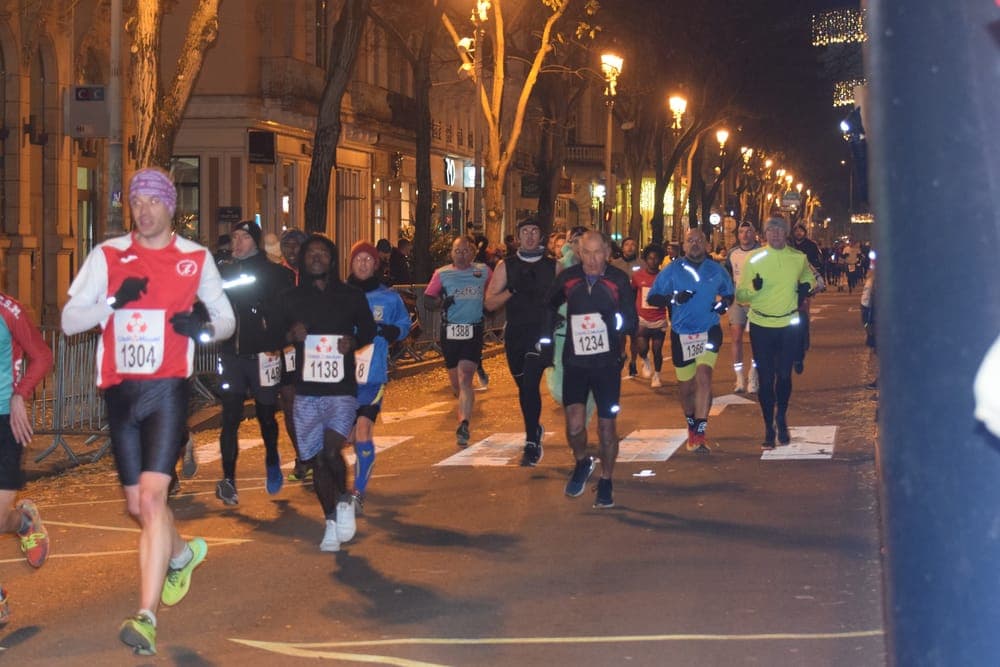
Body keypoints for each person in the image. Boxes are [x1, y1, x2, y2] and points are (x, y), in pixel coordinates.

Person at [61, 166, 235, 655]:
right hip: (119, 392)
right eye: (136, 202)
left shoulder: (194, 258)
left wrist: (200, 324)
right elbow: (69, 320)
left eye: (153, 201)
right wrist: (114, 302)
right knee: (139, 506)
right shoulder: (108, 255)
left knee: (154, 500)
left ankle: (145, 617)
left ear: (170, 206)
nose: (143, 210)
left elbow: (225, 321)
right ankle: (181, 554)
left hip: (166, 391)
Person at [274, 234, 376, 552]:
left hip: (341, 391)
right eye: (311, 254)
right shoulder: (290, 298)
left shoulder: (350, 295)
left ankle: (345, 499)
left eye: (323, 253)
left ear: (332, 260)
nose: (317, 258)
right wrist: (291, 334)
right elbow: (275, 332)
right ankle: (331, 520)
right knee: (319, 460)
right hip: (307, 392)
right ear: (303, 261)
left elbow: (369, 329)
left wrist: (353, 341)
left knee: (332, 451)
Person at [540, 230, 636, 508]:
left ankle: (606, 479)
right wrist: (547, 342)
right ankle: (582, 461)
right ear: (579, 253)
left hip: (606, 365)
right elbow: (549, 304)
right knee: (574, 425)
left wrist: (614, 325)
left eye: (598, 253)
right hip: (575, 362)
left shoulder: (618, 280)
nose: (593, 259)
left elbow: (630, 318)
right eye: (587, 253)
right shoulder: (568, 279)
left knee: (607, 428)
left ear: (607, 252)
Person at [215, 220, 295, 505]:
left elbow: (285, 308)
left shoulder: (274, 273)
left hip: (263, 355)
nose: (237, 243)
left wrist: (270, 325)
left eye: (244, 238)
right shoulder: (222, 271)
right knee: (230, 417)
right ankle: (228, 479)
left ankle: (272, 459)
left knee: (265, 415)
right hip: (231, 354)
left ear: (255, 242)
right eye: (234, 236)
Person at [648, 228, 734, 454]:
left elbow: (729, 293)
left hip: (709, 330)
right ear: (683, 246)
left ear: (706, 244)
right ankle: (691, 424)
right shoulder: (672, 270)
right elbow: (653, 297)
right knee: (686, 388)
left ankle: (700, 432)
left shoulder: (716, 269)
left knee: (704, 376)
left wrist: (723, 304)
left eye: (699, 240)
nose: (694, 244)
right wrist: (673, 297)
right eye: (690, 240)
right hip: (681, 333)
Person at [735, 216, 816, 450]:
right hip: (761, 325)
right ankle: (768, 427)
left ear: (787, 233)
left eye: (779, 230)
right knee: (766, 378)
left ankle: (781, 417)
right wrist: (753, 290)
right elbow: (740, 296)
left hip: (789, 323)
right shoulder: (754, 258)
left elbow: (810, 280)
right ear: (765, 234)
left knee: (784, 376)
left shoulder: (798, 258)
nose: (775, 234)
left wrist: (806, 286)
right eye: (770, 230)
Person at [484, 217, 558, 466]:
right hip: (516, 333)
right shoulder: (507, 266)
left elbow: (569, 297)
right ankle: (534, 428)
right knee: (523, 387)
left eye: (534, 231)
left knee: (529, 386)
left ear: (541, 237)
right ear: (517, 237)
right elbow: (490, 303)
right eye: (524, 231)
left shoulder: (553, 267)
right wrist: (512, 290)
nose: (529, 236)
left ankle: (530, 443)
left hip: (541, 333)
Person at [0, 290, 53, 626]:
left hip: (5, 422)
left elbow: (42, 356)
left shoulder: (9, 311)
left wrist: (22, 394)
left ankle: (24, 521)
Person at [345, 241, 411, 506]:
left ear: (375, 264)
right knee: (343, 437)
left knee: (363, 430)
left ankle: (358, 492)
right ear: (351, 263)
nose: (362, 263)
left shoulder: (389, 297)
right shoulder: (339, 295)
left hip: (371, 378)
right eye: (357, 259)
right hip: (341, 379)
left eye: (367, 259)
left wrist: (389, 331)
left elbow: (404, 325)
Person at [423, 236, 492, 447]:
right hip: (450, 331)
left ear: (472, 253)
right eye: (457, 251)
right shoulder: (442, 274)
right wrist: (441, 302)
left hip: (474, 329)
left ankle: (464, 423)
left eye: (465, 251)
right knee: (456, 384)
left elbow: (494, 290)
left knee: (465, 379)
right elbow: (427, 300)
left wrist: (490, 305)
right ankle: (462, 405)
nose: (461, 255)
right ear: (451, 253)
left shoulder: (483, 271)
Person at [277, 228, 310, 482]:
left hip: (314, 349)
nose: (291, 250)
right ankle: (302, 456)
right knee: (289, 402)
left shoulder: (316, 273)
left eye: (296, 245)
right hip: (286, 348)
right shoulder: (276, 275)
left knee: (312, 402)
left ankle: (316, 450)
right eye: (286, 245)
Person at [725, 221, 762, 393]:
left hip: (757, 301)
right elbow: (726, 276)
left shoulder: (762, 252)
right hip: (737, 301)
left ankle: (753, 374)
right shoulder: (732, 253)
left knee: (757, 340)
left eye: (749, 231)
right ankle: (739, 377)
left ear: (754, 233)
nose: (745, 235)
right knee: (736, 338)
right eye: (741, 232)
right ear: (738, 235)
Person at [630, 244, 669, 388]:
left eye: (655, 258)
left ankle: (657, 376)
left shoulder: (663, 277)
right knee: (642, 348)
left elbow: (668, 296)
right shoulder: (637, 276)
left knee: (657, 350)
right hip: (642, 319)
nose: (653, 261)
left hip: (658, 318)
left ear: (659, 260)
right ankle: (645, 359)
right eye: (650, 258)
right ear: (645, 260)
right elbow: (632, 292)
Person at [791, 223, 825, 373]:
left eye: (801, 231)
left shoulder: (810, 246)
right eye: (796, 231)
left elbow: (816, 265)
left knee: (803, 311)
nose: (798, 233)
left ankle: (803, 341)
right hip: (785, 289)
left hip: (804, 285)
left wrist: (815, 282)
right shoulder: (787, 246)